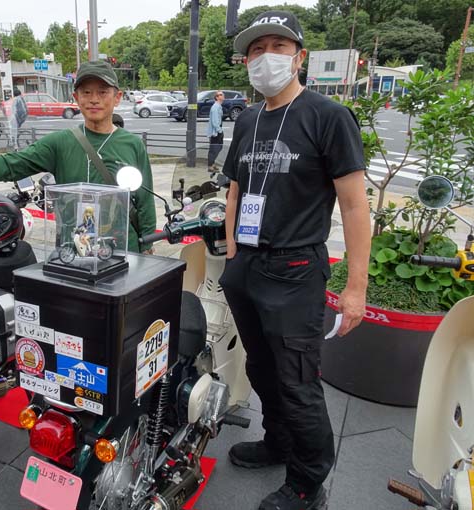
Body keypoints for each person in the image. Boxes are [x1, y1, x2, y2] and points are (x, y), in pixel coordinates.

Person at [219, 10, 370, 510]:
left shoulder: (328, 116)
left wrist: (355, 288)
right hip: (247, 266)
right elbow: (237, 185)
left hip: (296, 269)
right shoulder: (247, 118)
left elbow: (353, 204)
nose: (266, 59)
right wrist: (232, 242)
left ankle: (308, 481)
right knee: (261, 367)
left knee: (297, 380)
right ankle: (278, 443)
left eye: (278, 48)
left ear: (299, 56)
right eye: (256, 50)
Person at [0, 61, 156, 254]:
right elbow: (14, 164)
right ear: (76, 97)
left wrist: (147, 244)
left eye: (103, 92)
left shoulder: (132, 144)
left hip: (125, 248)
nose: (94, 99)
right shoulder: (61, 142)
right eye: (86, 92)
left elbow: (144, 200)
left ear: (117, 97)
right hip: (75, 248)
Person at [207, 90, 224, 172]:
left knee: (218, 147)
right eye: (220, 94)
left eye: (222, 94)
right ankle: (210, 166)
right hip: (215, 132)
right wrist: (219, 130)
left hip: (218, 130)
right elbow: (214, 121)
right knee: (214, 148)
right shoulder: (215, 107)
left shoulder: (218, 106)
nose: (222, 96)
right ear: (217, 97)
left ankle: (212, 163)